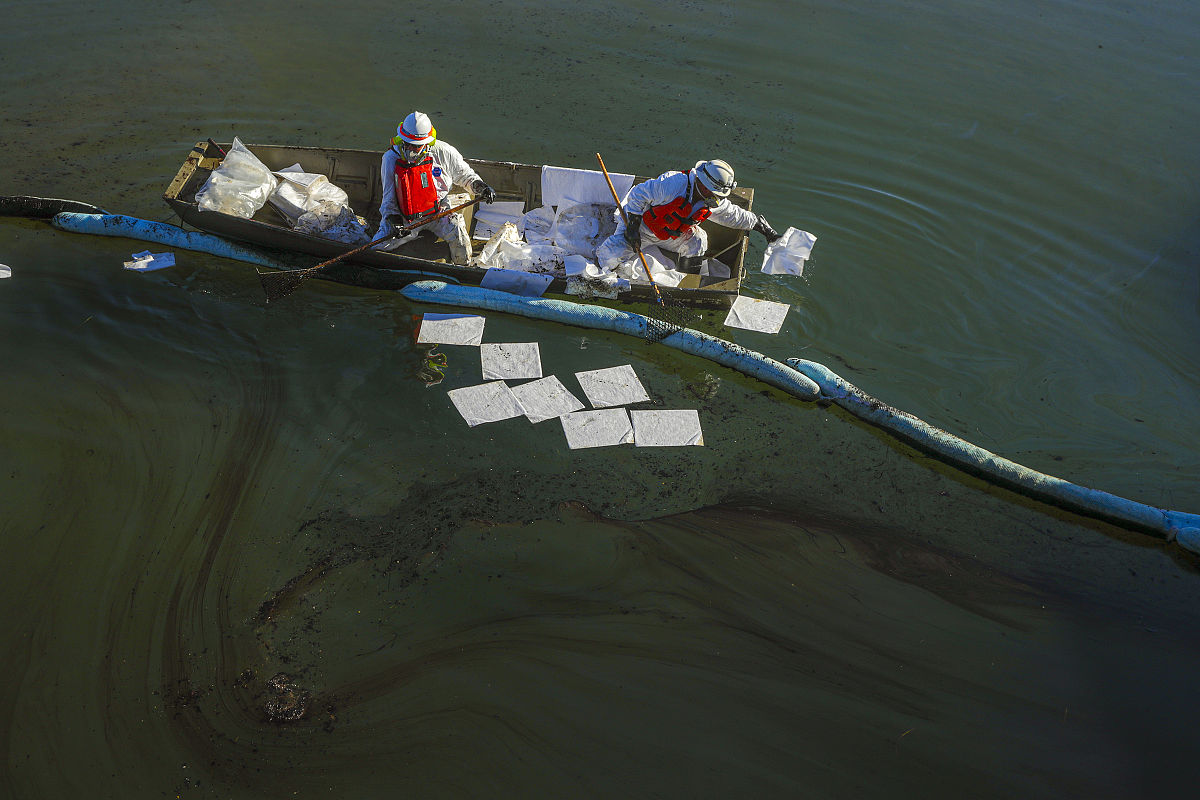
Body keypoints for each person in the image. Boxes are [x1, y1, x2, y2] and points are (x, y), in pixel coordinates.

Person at [595, 159, 780, 275]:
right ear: (705, 186)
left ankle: (686, 281)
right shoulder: (672, 183)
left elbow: (734, 215)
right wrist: (632, 228)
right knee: (608, 256)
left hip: (670, 236)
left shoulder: (710, 201)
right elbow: (638, 195)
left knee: (698, 240)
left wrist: (765, 230)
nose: (719, 200)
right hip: (641, 228)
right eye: (717, 194)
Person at [374, 111, 496, 264]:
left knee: (459, 236)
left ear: (427, 143)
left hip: (439, 213)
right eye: (408, 144)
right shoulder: (391, 158)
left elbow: (466, 176)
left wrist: (482, 188)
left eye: (416, 146)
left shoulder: (444, 152)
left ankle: (462, 266)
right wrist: (394, 221)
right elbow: (389, 198)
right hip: (405, 217)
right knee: (378, 247)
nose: (411, 149)